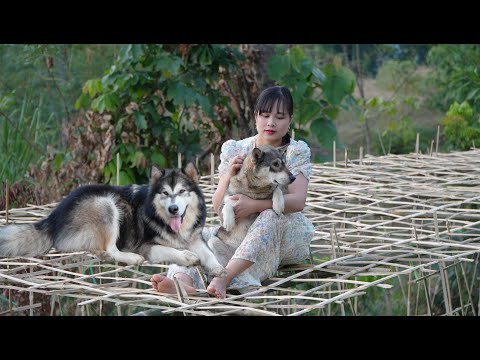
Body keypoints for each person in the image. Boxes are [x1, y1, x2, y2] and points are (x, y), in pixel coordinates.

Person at [151, 85, 315, 299]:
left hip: (282, 231)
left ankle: (224, 278)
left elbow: (298, 200)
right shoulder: (236, 149)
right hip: (241, 230)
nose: (271, 123)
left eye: (280, 117)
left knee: (269, 214)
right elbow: (218, 206)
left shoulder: (296, 151)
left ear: (290, 120)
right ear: (256, 116)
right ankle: (182, 282)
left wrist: (254, 205)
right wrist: (228, 176)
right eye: (265, 115)